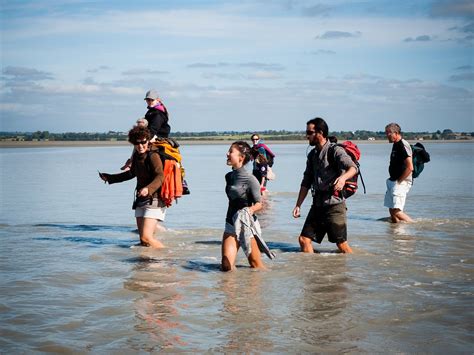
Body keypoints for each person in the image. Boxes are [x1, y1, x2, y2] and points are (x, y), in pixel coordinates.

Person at [292, 117, 358, 254]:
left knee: (342, 245)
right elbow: (306, 182)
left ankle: (353, 267)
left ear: (320, 133)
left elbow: (353, 168)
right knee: (304, 240)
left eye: (309, 132)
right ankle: (313, 273)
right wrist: (298, 205)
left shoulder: (335, 151)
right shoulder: (312, 155)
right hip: (317, 205)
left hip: (335, 205)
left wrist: (342, 178)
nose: (307, 136)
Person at [99, 126, 167, 248]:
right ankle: (145, 264)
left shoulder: (153, 155)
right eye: (137, 143)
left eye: (143, 142)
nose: (140, 146)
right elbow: (132, 173)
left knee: (147, 237)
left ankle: (170, 259)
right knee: (143, 241)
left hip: (155, 199)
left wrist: (148, 189)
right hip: (141, 200)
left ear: (148, 140)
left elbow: (160, 176)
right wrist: (110, 178)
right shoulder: (136, 155)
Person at [222, 141, 273, 271]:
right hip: (231, 224)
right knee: (226, 266)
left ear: (241, 157)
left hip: (247, 225)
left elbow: (259, 204)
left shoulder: (251, 179)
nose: (227, 154)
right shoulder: (228, 176)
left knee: (256, 266)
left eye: (230, 152)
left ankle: (256, 290)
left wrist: (249, 209)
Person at [121, 89, 171, 171]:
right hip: (151, 133)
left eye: (152, 100)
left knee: (140, 142)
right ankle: (132, 162)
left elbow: (153, 129)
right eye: (148, 100)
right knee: (136, 142)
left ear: (157, 100)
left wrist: (146, 138)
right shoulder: (151, 111)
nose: (149, 101)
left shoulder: (158, 113)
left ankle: (131, 163)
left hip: (158, 136)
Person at [384, 123, 414, 223]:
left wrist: (399, 181)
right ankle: (395, 234)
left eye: (388, 133)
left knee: (396, 211)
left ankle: (415, 226)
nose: (386, 135)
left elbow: (410, 167)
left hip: (401, 182)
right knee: (391, 211)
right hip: (393, 181)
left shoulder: (403, 145)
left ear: (396, 133)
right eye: (386, 133)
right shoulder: (395, 144)